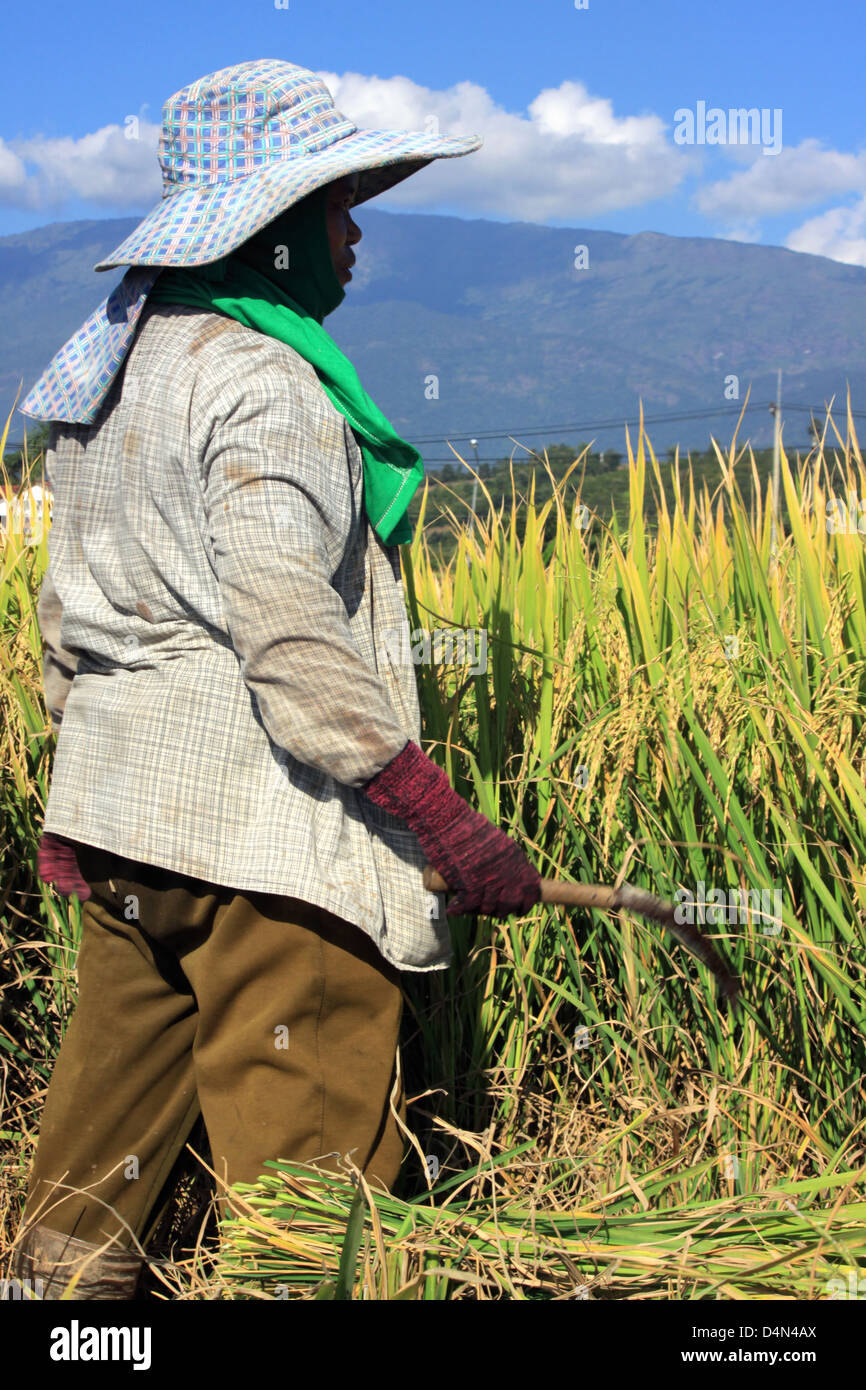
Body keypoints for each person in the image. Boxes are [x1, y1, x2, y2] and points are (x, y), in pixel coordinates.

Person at [9, 58, 541, 1302]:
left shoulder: (104, 378)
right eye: (338, 205)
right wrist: (442, 821)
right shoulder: (265, 384)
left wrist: (100, 778)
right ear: (274, 231)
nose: (356, 234)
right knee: (315, 1234)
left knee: (86, 1205)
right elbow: (291, 638)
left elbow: (59, 626)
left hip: (124, 837)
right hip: (273, 856)